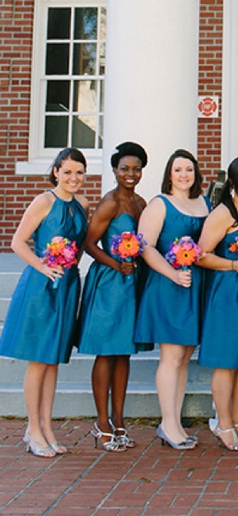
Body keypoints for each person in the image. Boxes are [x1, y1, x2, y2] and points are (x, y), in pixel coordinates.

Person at [0, 147, 88, 458]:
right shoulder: (44, 201)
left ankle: (47, 427)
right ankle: (33, 428)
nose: (73, 178)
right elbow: (16, 242)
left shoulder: (82, 205)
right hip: (41, 285)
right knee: (38, 359)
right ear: (55, 172)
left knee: (53, 360)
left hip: (67, 287)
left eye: (79, 172)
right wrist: (43, 266)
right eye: (67, 172)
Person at [134, 149, 210, 450]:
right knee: (172, 356)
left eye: (189, 170)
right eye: (178, 170)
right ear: (169, 173)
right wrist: (173, 274)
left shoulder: (204, 203)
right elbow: (146, 247)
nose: (183, 175)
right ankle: (167, 422)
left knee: (185, 356)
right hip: (169, 286)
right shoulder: (159, 204)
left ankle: (175, 421)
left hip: (196, 285)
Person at [75, 141, 149, 452]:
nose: (130, 174)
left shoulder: (141, 202)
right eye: (124, 169)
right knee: (106, 352)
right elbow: (89, 244)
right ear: (115, 170)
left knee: (123, 352)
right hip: (109, 282)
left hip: (132, 283)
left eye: (136, 169)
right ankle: (102, 423)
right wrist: (116, 263)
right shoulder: (110, 202)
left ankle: (120, 421)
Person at [198, 155, 238, 452]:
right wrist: (232, 264)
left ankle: (237, 420)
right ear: (234, 181)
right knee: (227, 360)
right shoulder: (224, 213)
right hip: (228, 292)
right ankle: (223, 423)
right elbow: (201, 254)